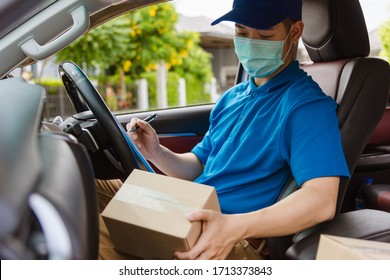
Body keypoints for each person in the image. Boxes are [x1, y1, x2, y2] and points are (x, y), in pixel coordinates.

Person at [97, 0, 350, 260]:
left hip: (230, 236)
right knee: (88, 189)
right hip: (192, 210)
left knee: (91, 233)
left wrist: (233, 227)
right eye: (241, 32)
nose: (250, 43)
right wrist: (156, 152)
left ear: (294, 32)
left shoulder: (306, 106)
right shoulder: (233, 97)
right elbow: (200, 165)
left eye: (264, 35)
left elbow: (322, 200)